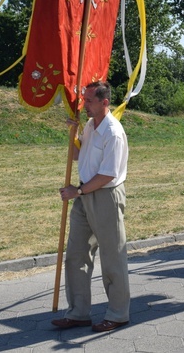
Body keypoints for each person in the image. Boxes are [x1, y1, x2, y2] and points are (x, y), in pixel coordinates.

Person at [52, 81, 131, 333]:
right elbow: (78, 156)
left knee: (112, 256)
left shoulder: (113, 132)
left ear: (104, 102)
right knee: (76, 254)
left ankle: (118, 314)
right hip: (84, 194)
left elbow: (107, 175)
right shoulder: (89, 125)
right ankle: (78, 313)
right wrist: (73, 134)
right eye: (84, 99)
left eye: (88, 100)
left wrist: (78, 191)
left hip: (105, 195)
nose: (83, 104)